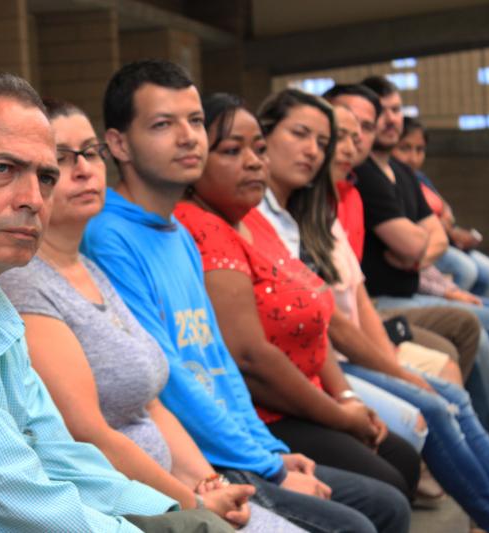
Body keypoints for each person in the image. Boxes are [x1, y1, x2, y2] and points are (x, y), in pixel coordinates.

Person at [83, 58, 411, 533]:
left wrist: (272, 452)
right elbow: (169, 377)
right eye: (163, 124)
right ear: (118, 144)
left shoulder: (176, 232)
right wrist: (268, 466)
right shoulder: (108, 236)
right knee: (366, 518)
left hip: (243, 445)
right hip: (198, 458)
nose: (188, 137)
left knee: (387, 501)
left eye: (195, 121)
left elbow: (219, 359)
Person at [0, 72, 229, 533]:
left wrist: (181, 514)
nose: (32, 199)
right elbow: (8, 487)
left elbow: (61, 454)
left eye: (45, 177)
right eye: (3, 169)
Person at [0, 97, 304, 532]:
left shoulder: (90, 268)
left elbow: (154, 401)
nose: (84, 169)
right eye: (60, 160)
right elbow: (87, 434)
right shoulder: (26, 282)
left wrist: (210, 483)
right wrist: (198, 500)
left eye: (91, 153)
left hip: (182, 484)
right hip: (128, 504)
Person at [177, 88, 420, 498]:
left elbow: (316, 315)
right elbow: (251, 358)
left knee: (405, 452)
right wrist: (341, 416)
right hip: (267, 409)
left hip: (315, 390)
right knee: (391, 482)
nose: (254, 162)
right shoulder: (204, 226)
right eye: (233, 150)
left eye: (258, 150)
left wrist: (345, 396)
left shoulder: (256, 218)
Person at [319, 103, 489, 529]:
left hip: (370, 325)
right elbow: (335, 322)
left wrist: (428, 250)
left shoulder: (346, 197)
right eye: (333, 137)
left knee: (456, 373)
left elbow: (429, 236)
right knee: (436, 397)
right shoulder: (327, 203)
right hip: (348, 344)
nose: (351, 143)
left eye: (359, 131)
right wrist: (393, 371)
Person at [393, 117, 489, 298]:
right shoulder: (390, 181)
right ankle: (450, 307)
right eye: (404, 148)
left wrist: (451, 228)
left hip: (447, 241)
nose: (413, 158)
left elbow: (444, 208)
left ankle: (474, 305)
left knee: (488, 273)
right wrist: (443, 229)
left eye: (420, 150)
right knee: (465, 270)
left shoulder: (420, 178)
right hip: (425, 246)